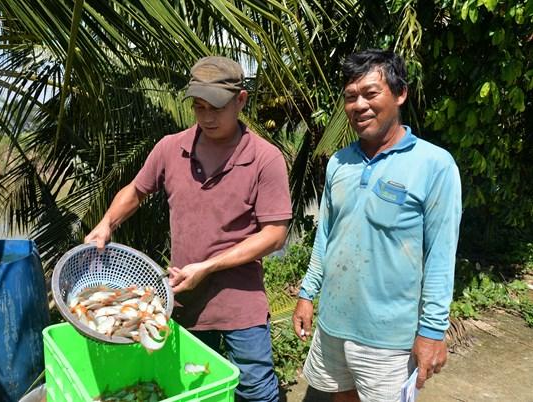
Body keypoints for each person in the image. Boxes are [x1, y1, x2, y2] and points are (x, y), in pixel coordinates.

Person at [85, 55, 292, 402]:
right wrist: (107, 223)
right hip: (184, 300)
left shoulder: (265, 158)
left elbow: (274, 234)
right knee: (194, 387)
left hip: (240, 303)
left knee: (256, 389)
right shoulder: (170, 147)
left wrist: (209, 266)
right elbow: (136, 191)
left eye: (216, 107)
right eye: (198, 107)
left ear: (241, 100)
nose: (207, 117)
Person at [292, 49, 462, 402]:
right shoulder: (340, 162)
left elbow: (441, 259)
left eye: (371, 93)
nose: (359, 105)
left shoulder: (434, 165)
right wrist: (307, 294)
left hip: (390, 340)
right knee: (340, 397)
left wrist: (431, 331)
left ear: (400, 94)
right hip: (333, 325)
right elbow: (327, 235)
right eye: (350, 97)